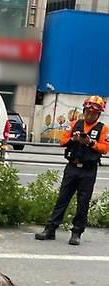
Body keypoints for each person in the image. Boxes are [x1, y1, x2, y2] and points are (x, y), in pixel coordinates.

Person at [35, 95, 109, 246]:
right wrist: (72, 139)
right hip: (72, 168)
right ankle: (50, 229)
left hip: (88, 170)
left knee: (83, 202)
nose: (90, 115)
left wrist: (90, 142)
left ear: (98, 114)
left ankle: (76, 232)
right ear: (84, 110)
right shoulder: (74, 124)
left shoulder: (104, 129)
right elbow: (62, 141)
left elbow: (105, 148)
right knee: (62, 199)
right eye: (87, 111)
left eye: (93, 113)